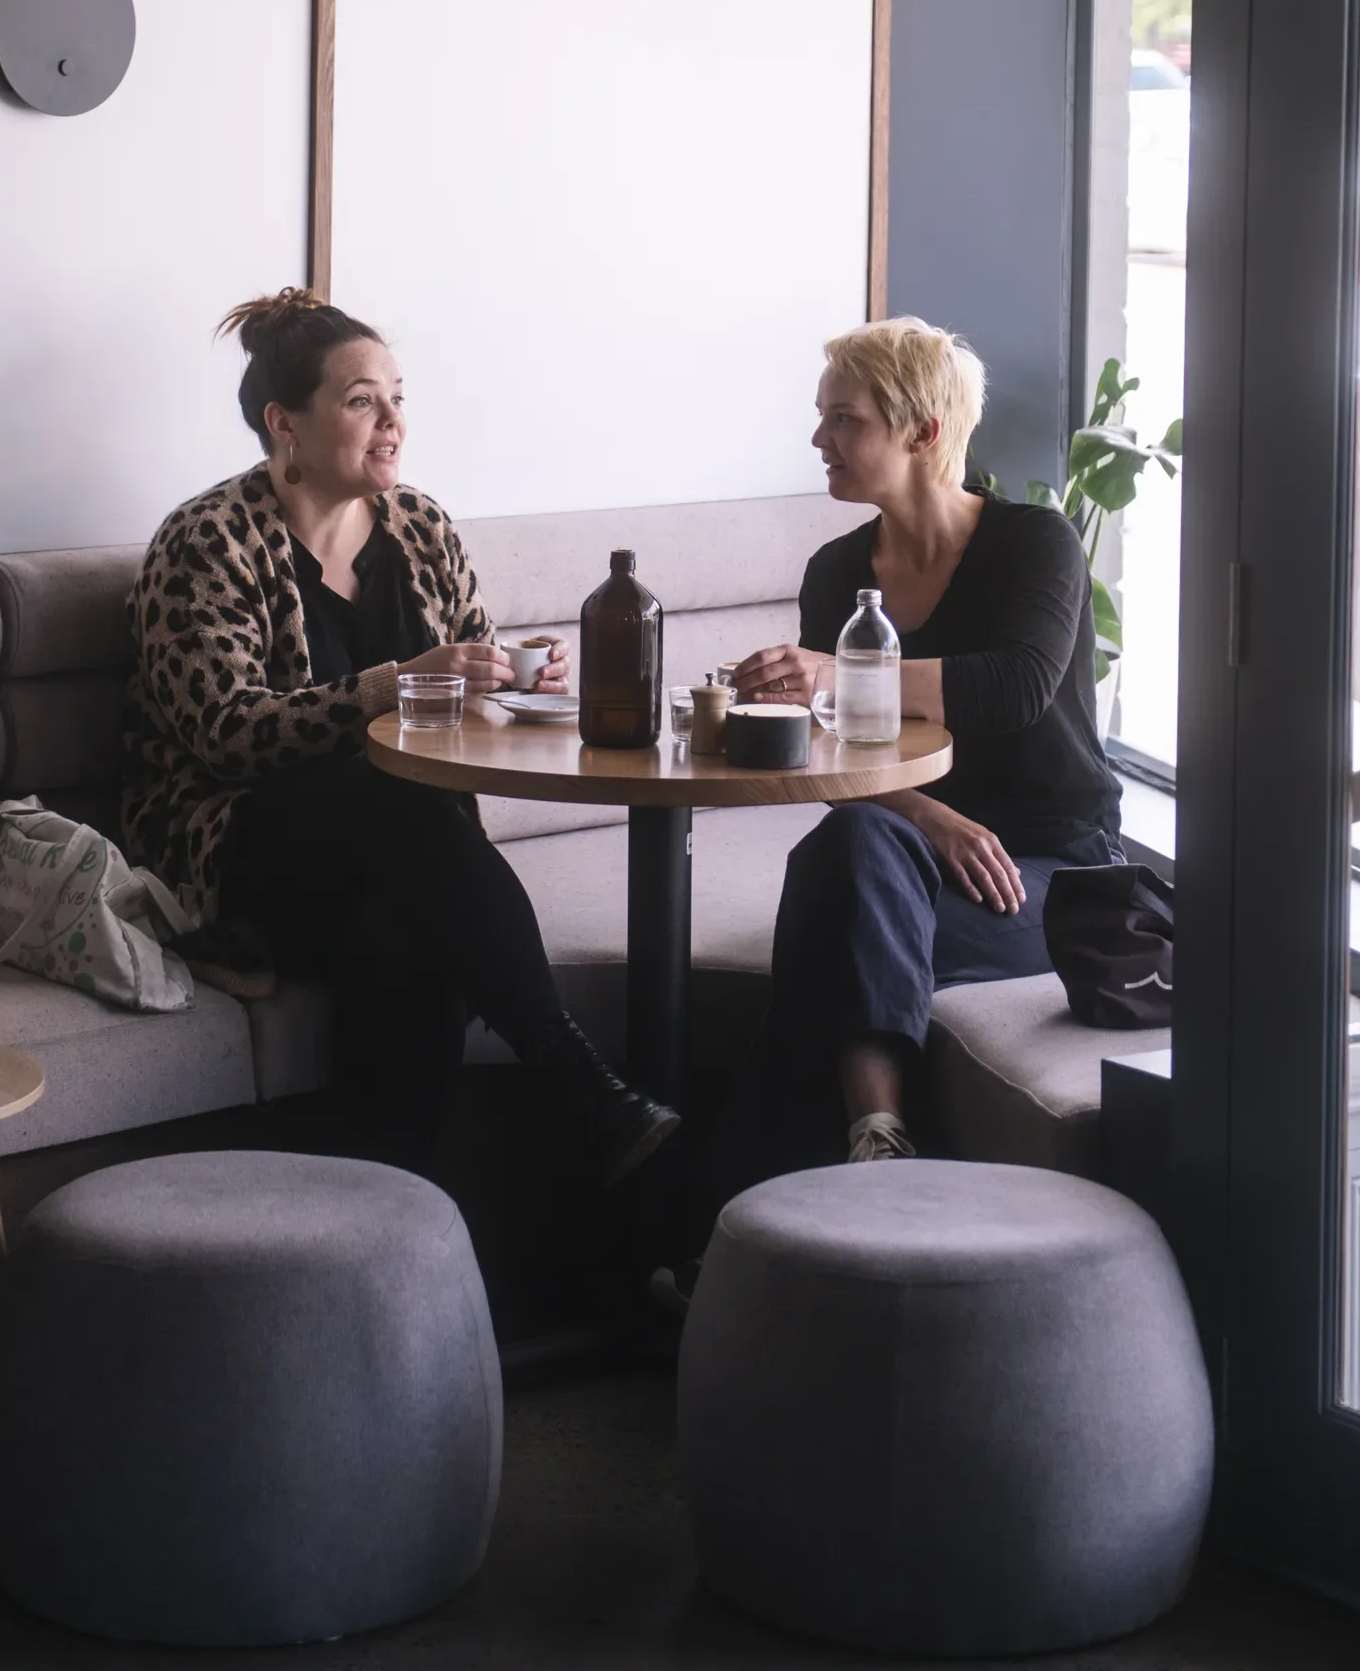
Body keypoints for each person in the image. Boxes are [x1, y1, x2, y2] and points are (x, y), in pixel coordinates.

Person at [122, 286, 678, 1181]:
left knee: (410, 944)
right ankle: (580, 1084)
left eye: (398, 397)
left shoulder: (420, 526)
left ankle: (393, 1236)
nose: (393, 422)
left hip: (401, 855)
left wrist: (510, 678)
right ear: (284, 424)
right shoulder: (209, 541)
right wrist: (401, 683)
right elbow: (224, 735)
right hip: (234, 847)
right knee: (392, 801)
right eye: (360, 401)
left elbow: (469, 671)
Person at [657, 317, 1121, 1306]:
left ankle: (722, 1249)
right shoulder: (838, 571)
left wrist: (841, 672)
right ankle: (877, 1144)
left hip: (1046, 870)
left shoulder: (1035, 545)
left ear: (921, 432)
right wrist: (930, 817)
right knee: (856, 840)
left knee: (828, 926)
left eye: (842, 420)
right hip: (910, 854)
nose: (819, 441)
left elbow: (1014, 688)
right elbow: (835, 752)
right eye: (821, 419)